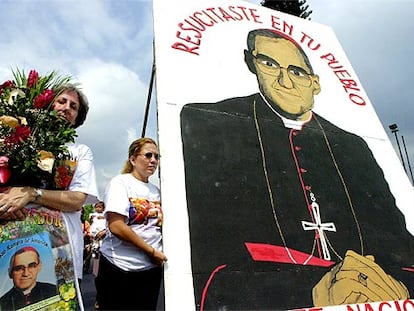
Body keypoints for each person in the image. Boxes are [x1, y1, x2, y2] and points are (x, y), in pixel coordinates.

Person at [180, 28, 414, 310]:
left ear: (315, 83)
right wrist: (310, 293)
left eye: (297, 72)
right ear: (250, 64)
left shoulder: (353, 146)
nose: (285, 80)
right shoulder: (209, 123)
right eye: (269, 64)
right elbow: (205, 256)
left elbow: (399, 244)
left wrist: (396, 286)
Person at [0, 83, 99, 282]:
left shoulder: (79, 152)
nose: (66, 108)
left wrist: (31, 193)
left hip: (62, 254)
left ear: (77, 118)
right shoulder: (14, 140)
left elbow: (77, 200)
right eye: (62, 101)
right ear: (48, 104)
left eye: (73, 107)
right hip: (12, 248)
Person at [95, 137, 167, 310]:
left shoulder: (157, 191)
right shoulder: (120, 183)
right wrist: (150, 251)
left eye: (157, 157)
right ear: (133, 159)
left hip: (149, 271)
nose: (153, 160)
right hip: (119, 267)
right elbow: (116, 226)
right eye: (148, 155)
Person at [0, 246, 58, 310]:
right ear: (10, 272)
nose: (26, 274)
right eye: (19, 268)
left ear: (39, 267)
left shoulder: (53, 290)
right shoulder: (2, 303)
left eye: (32, 266)